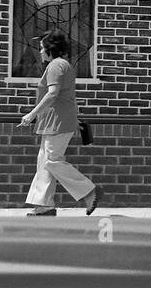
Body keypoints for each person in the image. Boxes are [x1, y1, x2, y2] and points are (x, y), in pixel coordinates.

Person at [19, 30, 100, 216]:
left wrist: (31, 114)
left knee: (52, 160)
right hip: (55, 122)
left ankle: (89, 192)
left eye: (42, 48)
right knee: (45, 162)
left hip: (57, 123)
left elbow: (53, 93)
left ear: (50, 49)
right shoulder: (63, 65)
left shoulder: (56, 66)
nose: (40, 52)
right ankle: (44, 205)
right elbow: (67, 96)